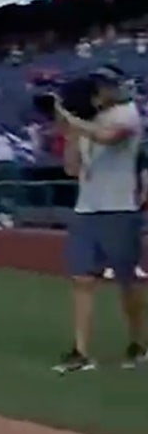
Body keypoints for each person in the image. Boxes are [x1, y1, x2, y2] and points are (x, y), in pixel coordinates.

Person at [52, 66, 147, 373]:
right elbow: (71, 169)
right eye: (99, 85)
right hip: (86, 209)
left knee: (127, 283)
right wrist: (68, 133)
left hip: (119, 208)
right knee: (81, 280)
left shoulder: (127, 114)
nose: (103, 90)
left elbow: (109, 138)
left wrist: (74, 122)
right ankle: (80, 351)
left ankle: (138, 343)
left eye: (107, 85)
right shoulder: (86, 121)